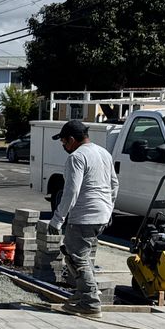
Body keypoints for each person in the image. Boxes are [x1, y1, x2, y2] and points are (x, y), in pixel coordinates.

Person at [49, 120, 118, 317]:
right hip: (102, 215)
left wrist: (57, 219)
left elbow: (71, 191)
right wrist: (108, 208)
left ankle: (89, 302)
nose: (64, 146)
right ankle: (82, 295)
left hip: (84, 216)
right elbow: (115, 184)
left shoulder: (77, 157)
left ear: (72, 139)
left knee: (77, 259)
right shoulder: (103, 153)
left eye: (64, 142)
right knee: (80, 256)